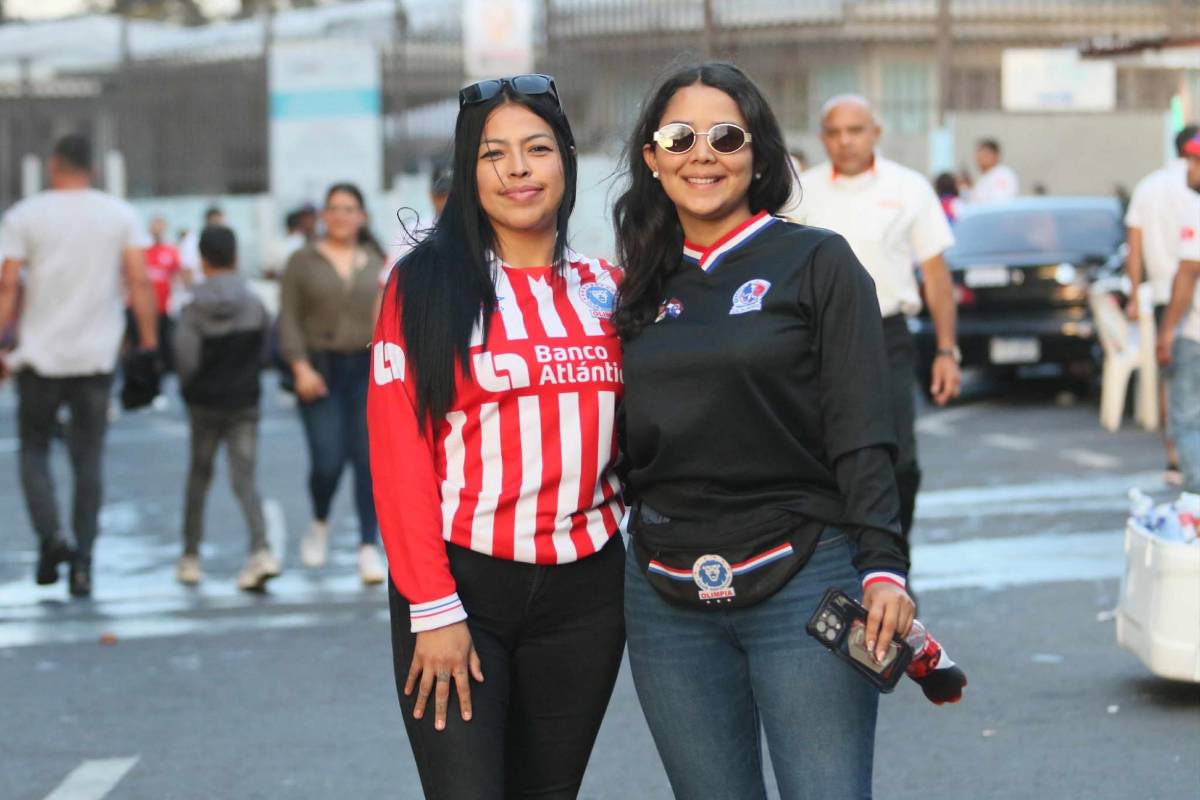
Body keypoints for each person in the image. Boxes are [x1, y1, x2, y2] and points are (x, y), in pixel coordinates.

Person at [612, 62, 913, 799]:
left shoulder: (818, 261)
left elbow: (863, 426)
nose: (702, 154)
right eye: (679, 138)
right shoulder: (630, 285)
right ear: (652, 158)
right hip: (664, 590)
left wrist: (884, 565)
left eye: (725, 136)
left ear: (759, 152)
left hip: (804, 577)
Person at [368, 73, 626, 797]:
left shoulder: (610, 288)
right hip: (463, 588)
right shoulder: (422, 286)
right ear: (468, 170)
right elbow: (398, 454)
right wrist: (432, 606)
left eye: (537, 148)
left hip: (587, 595)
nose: (518, 169)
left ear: (566, 161)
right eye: (493, 154)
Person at [797, 94, 961, 543]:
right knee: (824, 455)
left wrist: (947, 351)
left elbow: (936, 275)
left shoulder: (909, 188)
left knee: (899, 459)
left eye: (855, 130)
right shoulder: (801, 192)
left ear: (876, 133)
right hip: (816, 340)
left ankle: (893, 559)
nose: (845, 141)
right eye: (834, 132)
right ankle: (840, 557)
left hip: (886, 336)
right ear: (822, 138)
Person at [0, 133, 158, 597]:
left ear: (53, 166)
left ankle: (51, 537)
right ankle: (84, 563)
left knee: (34, 451)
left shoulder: (25, 215)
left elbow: (8, 284)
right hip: (96, 355)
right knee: (88, 459)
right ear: (94, 168)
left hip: (39, 356)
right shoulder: (118, 214)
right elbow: (138, 280)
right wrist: (148, 343)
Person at [279, 183, 387, 585]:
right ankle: (320, 520)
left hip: (367, 371)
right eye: (334, 208)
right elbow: (288, 318)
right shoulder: (302, 260)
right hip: (319, 370)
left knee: (368, 461)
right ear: (323, 215)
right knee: (328, 460)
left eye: (349, 208)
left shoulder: (378, 260)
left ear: (362, 216)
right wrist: (300, 367)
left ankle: (367, 547)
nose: (341, 215)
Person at [173, 224, 278, 591]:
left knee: (199, 477)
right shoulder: (254, 303)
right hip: (244, 401)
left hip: (204, 403)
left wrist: (190, 388)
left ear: (203, 260)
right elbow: (266, 349)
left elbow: (185, 358)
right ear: (235, 256)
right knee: (244, 479)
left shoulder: (192, 308)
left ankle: (190, 556)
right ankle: (260, 549)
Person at [1126, 123, 1199, 484]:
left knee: (1177, 391)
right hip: (1182, 301)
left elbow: (1137, 248)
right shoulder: (1184, 193)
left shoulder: (1149, 187)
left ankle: (1178, 463)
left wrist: (1134, 294)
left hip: (1172, 301)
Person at [1157, 134, 1200, 493]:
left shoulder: (1197, 210)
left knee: (1187, 420)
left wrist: (1167, 330)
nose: (1190, 169)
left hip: (1196, 333)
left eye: (1196, 162)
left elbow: (1187, 272)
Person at [141, 216, 182, 371]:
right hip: (146, 309)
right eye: (155, 227)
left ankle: (169, 371)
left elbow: (178, 277)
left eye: (160, 227)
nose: (157, 231)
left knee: (166, 344)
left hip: (166, 307)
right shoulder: (143, 252)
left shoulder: (171, 251)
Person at [179, 206, 224, 290]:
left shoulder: (224, 241)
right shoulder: (192, 240)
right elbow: (186, 269)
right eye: (215, 223)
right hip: (200, 288)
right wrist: (191, 292)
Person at [963, 138, 1018, 204]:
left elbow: (1000, 202)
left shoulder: (1003, 174)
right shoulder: (982, 178)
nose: (979, 160)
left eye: (984, 155)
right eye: (978, 156)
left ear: (995, 155)